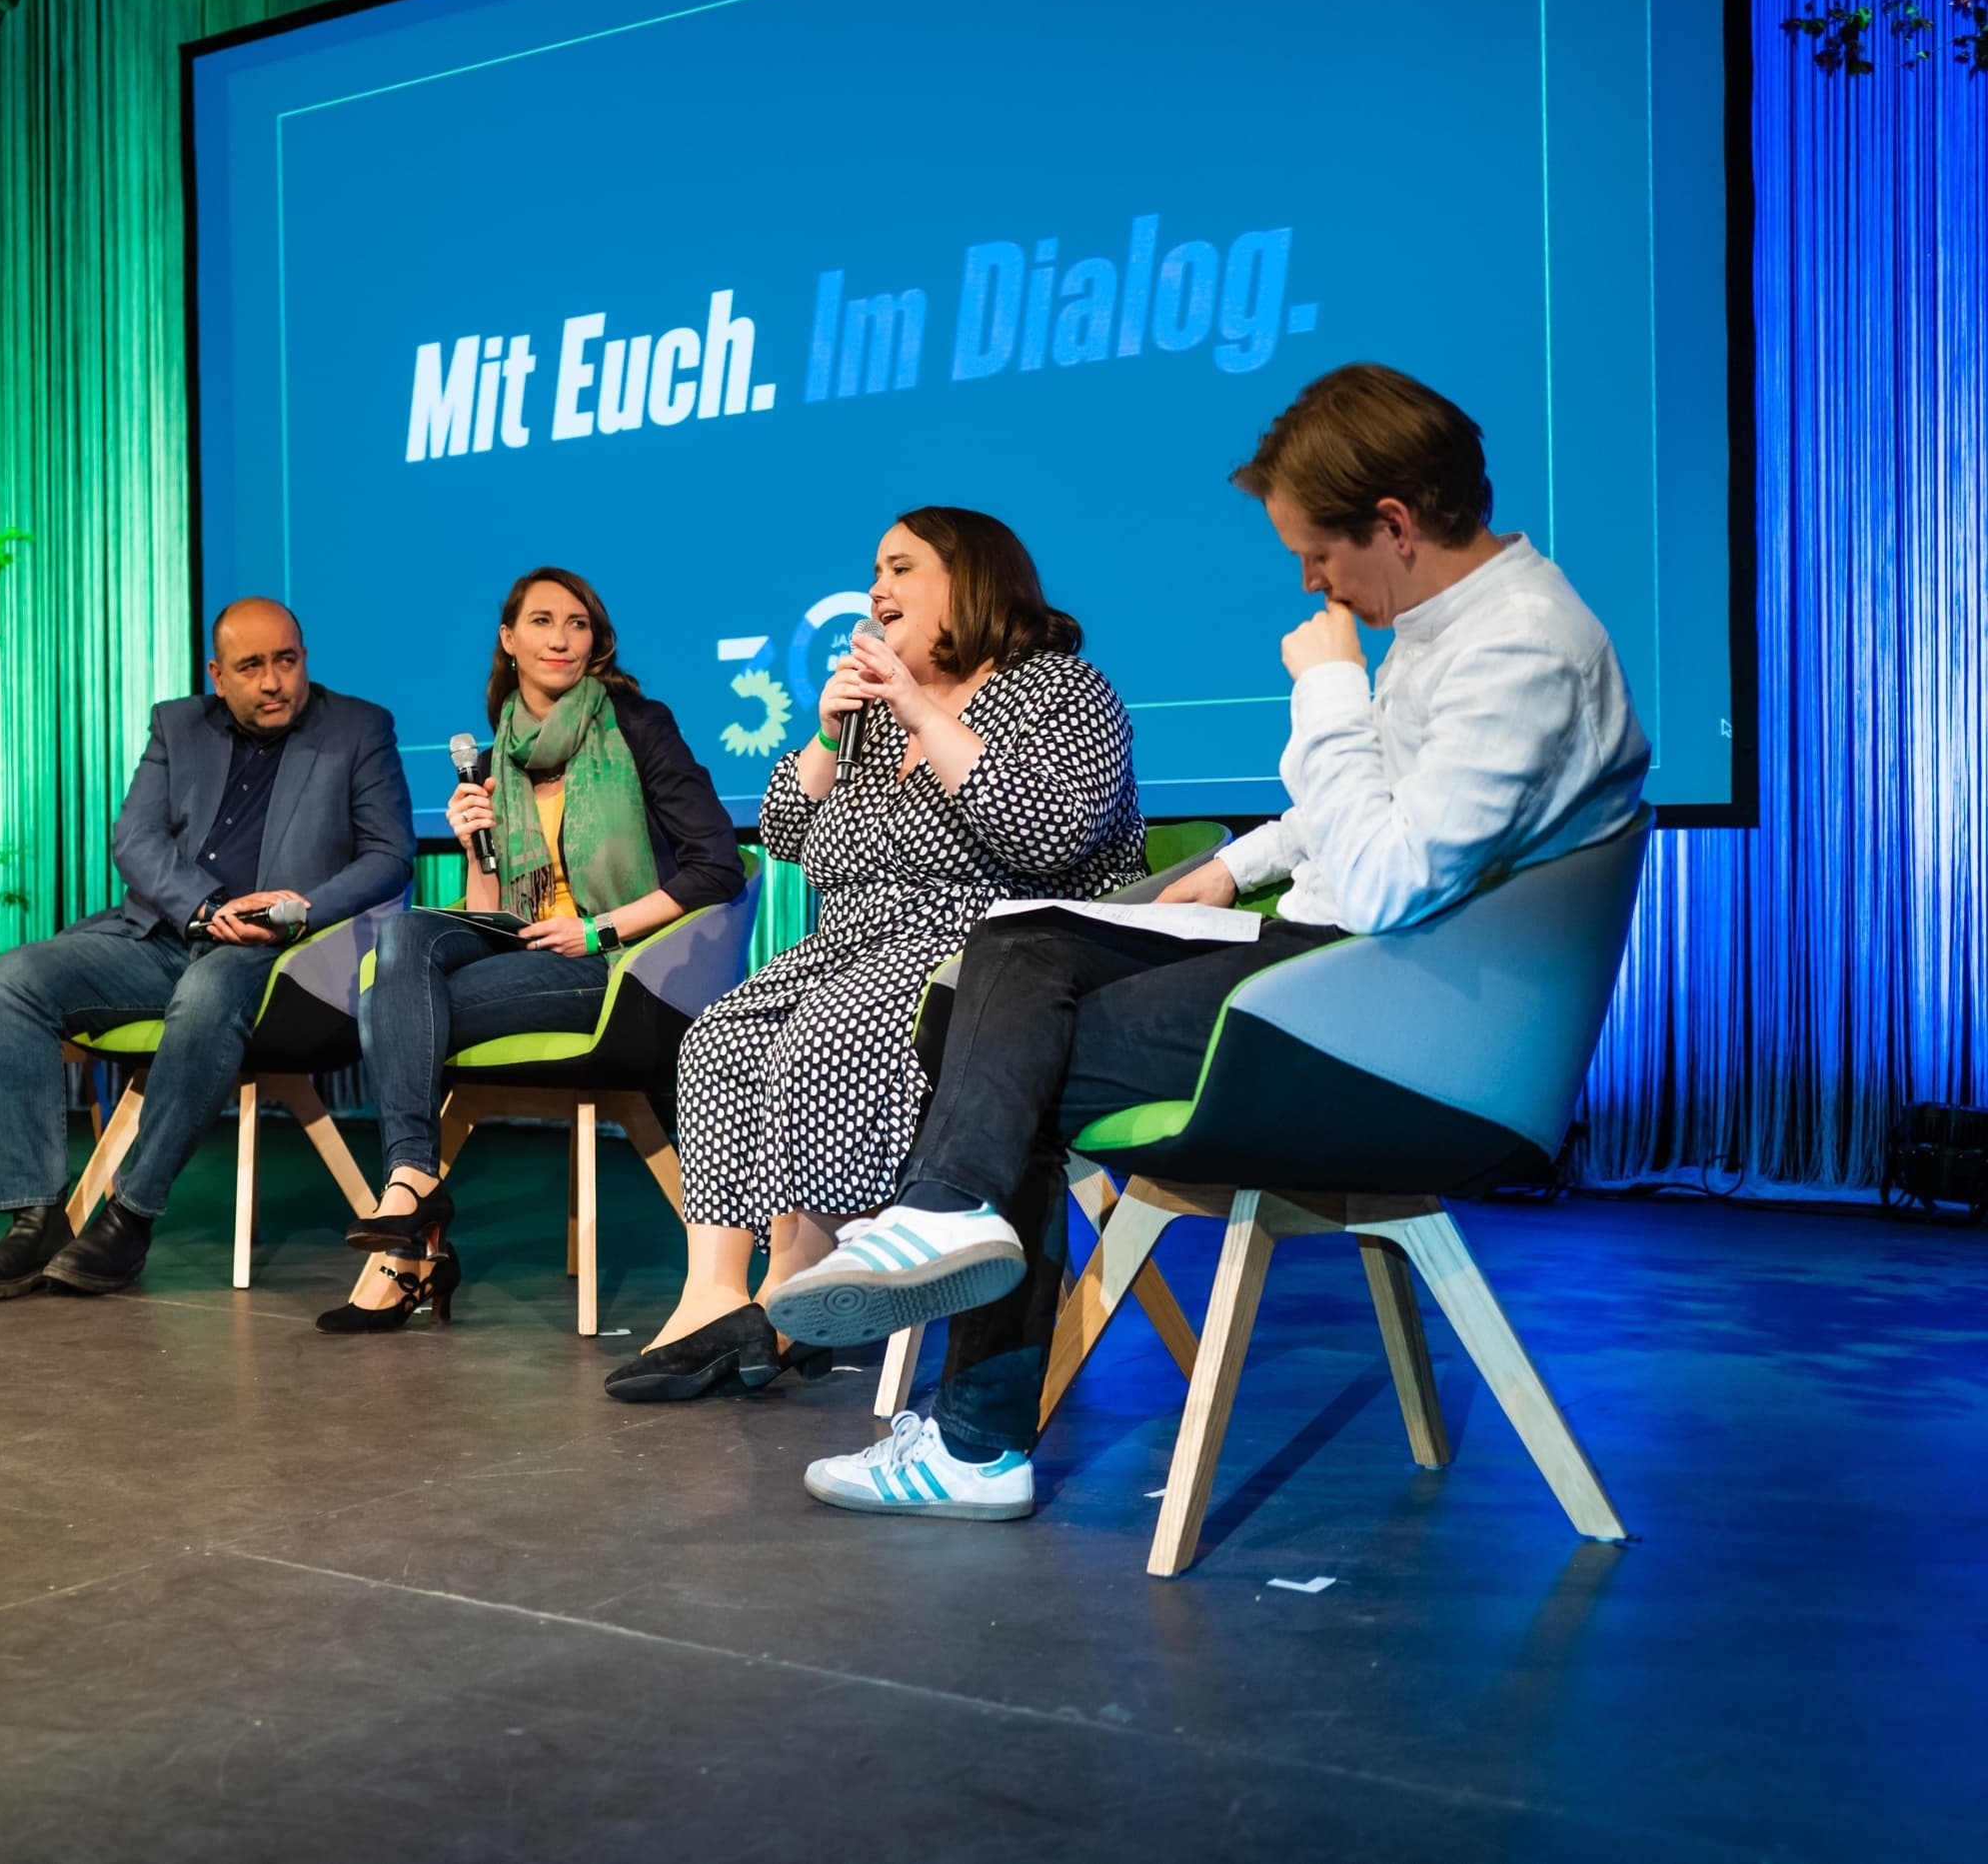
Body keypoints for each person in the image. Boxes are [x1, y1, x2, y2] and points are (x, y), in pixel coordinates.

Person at [778, 362, 1652, 1521]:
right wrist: (1210, 875)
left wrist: (1331, 694)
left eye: (1319, 554)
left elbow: (1388, 878)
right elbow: (1349, 818)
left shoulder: (1522, 649)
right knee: (1020, 943)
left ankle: (974, 1418)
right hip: (1343, 972)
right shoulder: (1459, 631)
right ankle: (950, 1233)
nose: (1310, 581)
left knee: (1012, 1045)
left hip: (1405, 1027)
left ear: (1393, 524)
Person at [606, 509, 1145, 1400]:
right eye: (874, 571)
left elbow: (1044, 834)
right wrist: (826, 733)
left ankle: (793, 1293)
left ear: (970, 581)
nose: (876, 590)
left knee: (828, 1028)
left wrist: (921, 710)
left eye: (900, 568)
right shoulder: (873, 719)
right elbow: (784, 833)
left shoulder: (1060, 689)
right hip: (853, 942)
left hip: (996, 947)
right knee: (722, 1036)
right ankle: (711, 1296)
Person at [0, 597, 414, 1301]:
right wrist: (205, 908)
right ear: (216, 673)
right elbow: (134, 838)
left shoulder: (359, 727)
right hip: (167, 938)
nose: (273, 682)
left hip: (288, 957)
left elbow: (389, 855)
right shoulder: (177, 725)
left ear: (304, 659)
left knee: (205, 993)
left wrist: (297, 908)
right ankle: (35, 1218)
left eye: (286, 661)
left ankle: (130, 1217)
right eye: (251, 667)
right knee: (15, 978)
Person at [328, 568, 745, 1333]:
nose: (561, 638)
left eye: (578, 623)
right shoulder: (496, 759)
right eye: (544, 621)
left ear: (597, 639)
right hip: (527, 948)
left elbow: (718, 864)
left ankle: (410, 1234)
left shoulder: (639, 726)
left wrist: (601, 929)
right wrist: (474, 849)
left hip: (622, 964)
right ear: (508, 639)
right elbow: (490, 917)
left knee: (403, 1007)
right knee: (404, 937)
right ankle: (413, 1175)